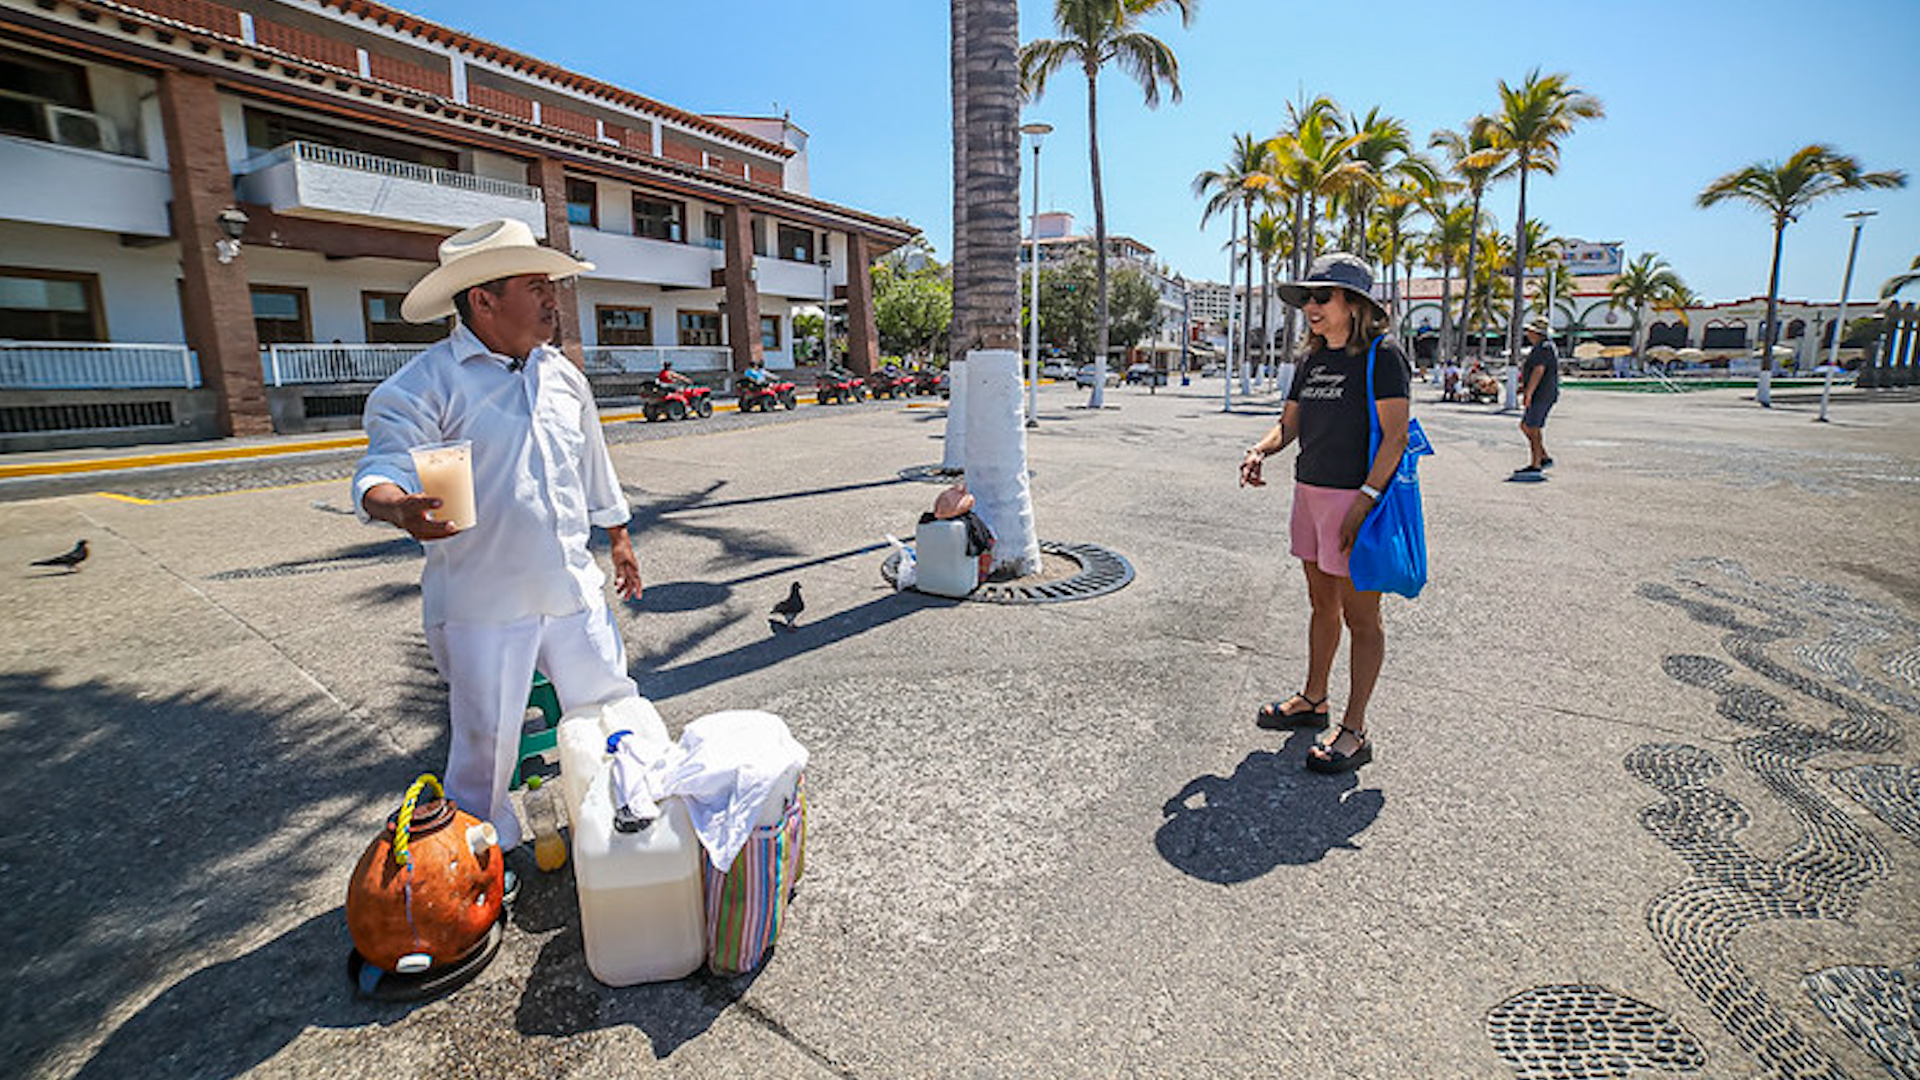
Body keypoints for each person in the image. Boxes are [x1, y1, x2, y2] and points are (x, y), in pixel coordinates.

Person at [352, 218, 643, 854]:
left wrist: (617, 535)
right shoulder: (425, 384)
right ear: (482, 299)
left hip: (573, 591)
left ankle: (625, 824)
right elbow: (382, 468)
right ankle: (483, 860)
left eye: (551, 285)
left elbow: (593, 464)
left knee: (613, 713)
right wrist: (400, 508)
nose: (552, 299)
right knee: (484, 751)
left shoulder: (564, 377)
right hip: (484, 606)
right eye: (535, 284)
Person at [1237, 252, 1411, 774]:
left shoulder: (1383, 357)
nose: (1310, 306)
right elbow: (1288, 425)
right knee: (1321, 604)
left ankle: (1355, 730)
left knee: (1363, 618)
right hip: (1310, 496)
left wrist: (1365, 502)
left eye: (1321, 297)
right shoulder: (1311, 361)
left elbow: (1396, 437)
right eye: (1307, 298)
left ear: (1353, 304)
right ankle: (1315, 701)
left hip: (1355, 500)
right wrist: (1260, 449)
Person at [1513, 315, 1558, 478]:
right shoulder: (1543, 347)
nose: (1528, 334)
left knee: (1532, 427)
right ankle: (1543, 456)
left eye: (1530, 331)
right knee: (1526, 426)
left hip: (1541, 394)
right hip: (1543, 393)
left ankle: (1536, 463)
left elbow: (1539, 371)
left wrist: (1529, 393)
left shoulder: (1543, 348)